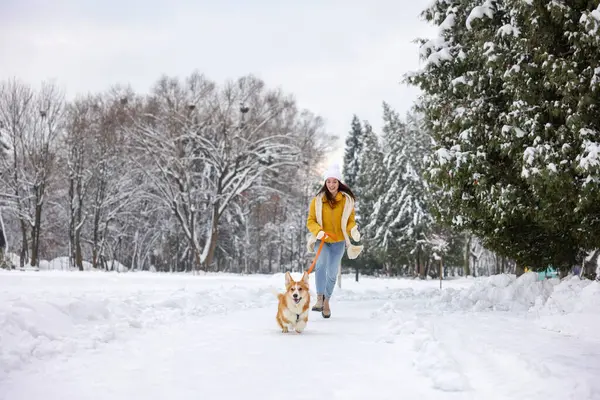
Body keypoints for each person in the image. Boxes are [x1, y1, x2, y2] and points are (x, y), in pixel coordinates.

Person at [306, 163, 363, 318]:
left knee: (332, 273)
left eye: (334, 181)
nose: (331, 185)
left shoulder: (347, 201)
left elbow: (350, 220)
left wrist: (353, 230)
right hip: (322, 240)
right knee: (320, 265)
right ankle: (319, 298)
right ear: (325, 183)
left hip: (338, 242)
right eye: (328, 181)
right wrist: (319, 232)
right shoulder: (317, 201)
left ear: (339, 183)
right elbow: (310, 221)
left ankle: (326, 301)